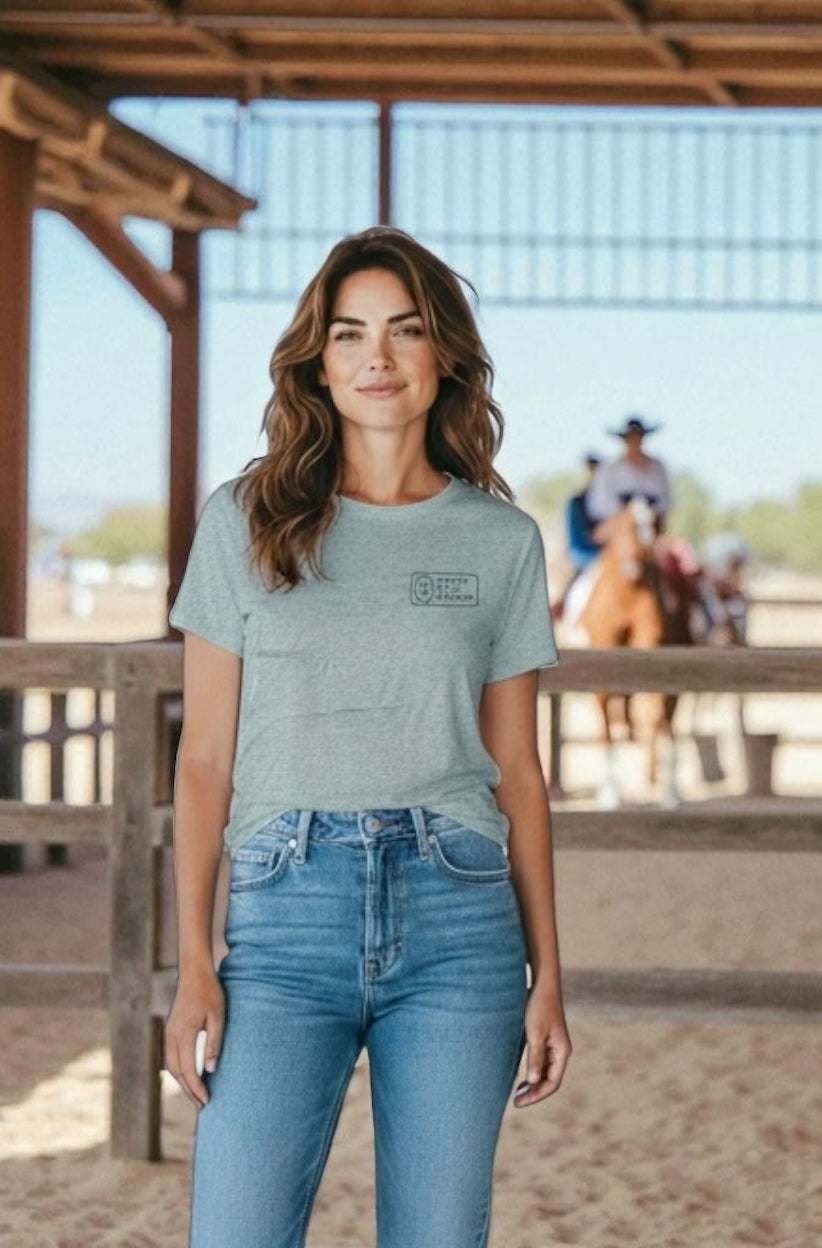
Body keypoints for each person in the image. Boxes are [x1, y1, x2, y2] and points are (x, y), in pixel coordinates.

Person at [164, 225, 571, 1248]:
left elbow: (519, 772)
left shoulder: (500, 541)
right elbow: (205, 760)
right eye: (349, 335)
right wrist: (193, 964)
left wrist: (549, 976)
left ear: (446, 357)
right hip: (281, 927)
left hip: (460, 925)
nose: (376, 358)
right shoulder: (245, 518)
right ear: (320, 360)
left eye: (405, 331)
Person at [584, 414, 672, 541]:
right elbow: (599, 506)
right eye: (631, 437)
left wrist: (650, 513)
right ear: (624, 440)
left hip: (653, 525)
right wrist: (627, 513)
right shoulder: (609, 470)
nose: (635, 441)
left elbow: (666, 501)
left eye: (638, 436)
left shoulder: (658, 468)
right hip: (617, 525)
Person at [551, 451, 601, 621]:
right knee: (572, 588)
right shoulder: (577, 502)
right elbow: (576, 540)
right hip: (584, 556)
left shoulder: (608, 503)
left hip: (608, 556)